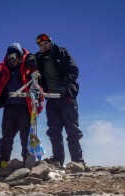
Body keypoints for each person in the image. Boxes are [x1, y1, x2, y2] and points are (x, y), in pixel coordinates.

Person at [34, 34, 84, 166]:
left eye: (45, 44)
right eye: (41, 45)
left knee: (72, 129)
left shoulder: (62, 53)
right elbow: (30, 66)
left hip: (66, 96)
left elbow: (73, 70)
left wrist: (63, 86)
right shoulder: (39, 58)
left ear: (50, 43)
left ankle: (77, 162)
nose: (43, 47)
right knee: (54, 130)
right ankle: (57, 160)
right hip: (51, 98)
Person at [0, 43, 42, 168]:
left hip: (24, 108)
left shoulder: (27, 69)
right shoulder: (4, 70)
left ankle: (27, 164)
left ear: (20, 56)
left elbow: (37, 82)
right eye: (9, 55)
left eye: (15, 55)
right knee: (6, 138)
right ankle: (3, 165)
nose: (12, 58)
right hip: (9, 108)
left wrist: (30, 57)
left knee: (26, 138)